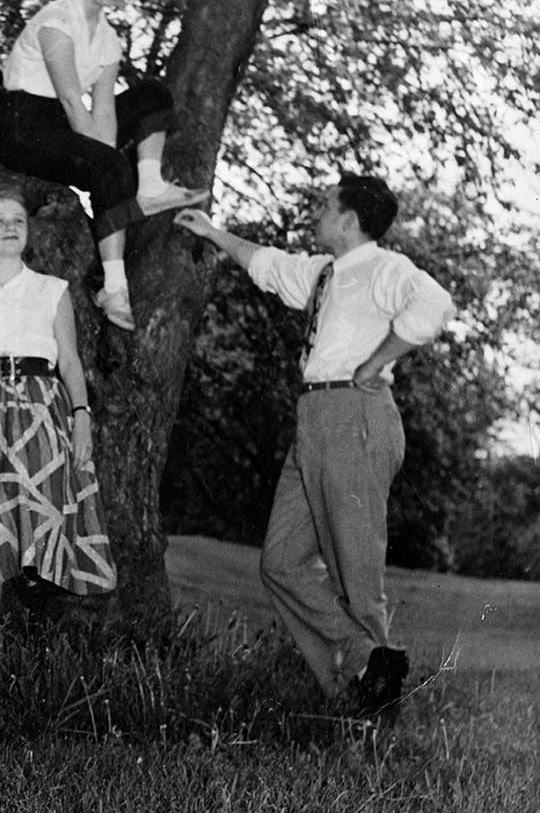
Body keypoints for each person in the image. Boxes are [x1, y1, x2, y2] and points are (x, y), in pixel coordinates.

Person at [175, 174, 454, 711]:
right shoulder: (327, 275)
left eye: (328, 205)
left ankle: (370, 713)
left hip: (356, 414)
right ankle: (366, 661)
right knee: (280, 562)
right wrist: (212, 232)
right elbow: (270, 265)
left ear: (350, 221)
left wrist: (377, 361)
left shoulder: (385, 267)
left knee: (355, 570)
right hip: (315, 418)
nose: (319, 212)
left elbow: (436, 305)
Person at [0, 0, 208, 333]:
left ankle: (149, 185)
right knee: (106, 166)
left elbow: (105, 107)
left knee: (151, 93)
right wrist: (103, 167)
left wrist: (107, 166)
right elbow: (75, 102)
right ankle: (114, 288)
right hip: (24, 128)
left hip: (64, 124)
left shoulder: (108, 39)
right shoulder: (56, 21)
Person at [0, 189, 115, 644]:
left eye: (18, 219)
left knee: (40, 513)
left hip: (42, 409)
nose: (11, 227)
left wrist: (81, 416)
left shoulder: (51, 291)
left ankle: (40, 630)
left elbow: (71, 361)